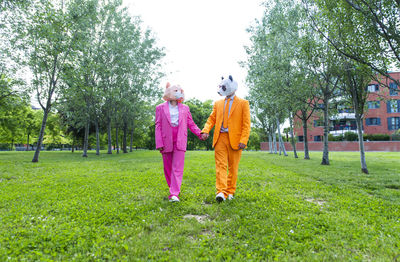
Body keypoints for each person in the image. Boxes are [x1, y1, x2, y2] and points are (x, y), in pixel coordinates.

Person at [201, 76, 251, 202]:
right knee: (220, 165)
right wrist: (206, 130)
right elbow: (211, 119)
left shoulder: (243, 103)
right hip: (220, 138)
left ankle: (230, 191)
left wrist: (244, 140)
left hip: (236, 139)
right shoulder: (218, 103)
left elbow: (246, 123)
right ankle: (221, 192)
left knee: (233, 167)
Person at [155, 83, 203, 202]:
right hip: (166, 139)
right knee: (167, 168)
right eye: (175, 90)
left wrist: (200, 133)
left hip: (180, 138)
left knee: (177, 167)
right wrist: (159, 142)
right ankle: (172, 188)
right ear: (169, 92)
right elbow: (158, 125)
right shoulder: (160, 108)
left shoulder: (185, 108)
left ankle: (174, 193)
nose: (179, 92)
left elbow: (190, 123)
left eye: (180, 90)